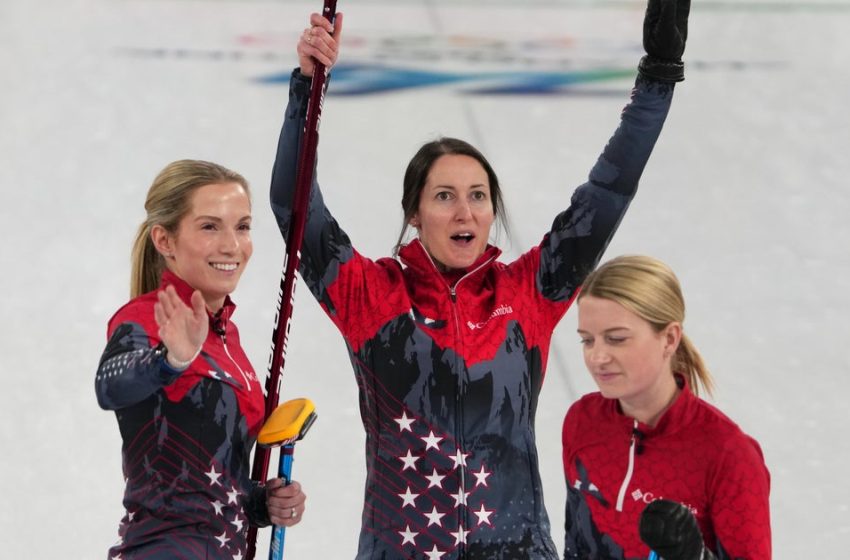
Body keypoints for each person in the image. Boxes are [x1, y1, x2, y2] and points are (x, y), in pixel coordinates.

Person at [272, 1, 688, 556]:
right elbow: (294, 206)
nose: (465, 212)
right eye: (444, 197)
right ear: (414, 213)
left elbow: (607, 193)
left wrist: (657, 79)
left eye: (478, 197)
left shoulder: (529, 292)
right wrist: (307, 85)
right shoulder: (372, 295)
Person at [95, 160, 307, 559]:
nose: (231, 245)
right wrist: (167, 359)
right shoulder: (148, 318)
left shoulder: (229, 339)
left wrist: (260, 503)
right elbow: (110, 385)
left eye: (242, 226)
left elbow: (208, 478)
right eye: (210, 226)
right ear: (165, 240)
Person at [561, 255, 771, 559]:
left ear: (669, 338)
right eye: (587, 341)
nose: (597, 357)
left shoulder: (729, 456)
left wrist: (697, 556)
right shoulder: (582, 422)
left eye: (616, 339)